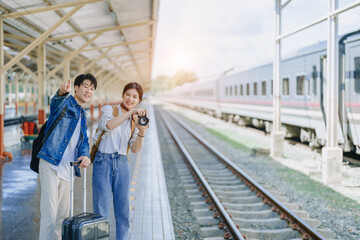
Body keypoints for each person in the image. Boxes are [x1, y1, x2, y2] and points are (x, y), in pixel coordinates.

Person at [37, 74, 97, 240]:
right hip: (50, 163)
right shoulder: (65, 104)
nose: (89, 91)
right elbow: (56, 102)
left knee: (61, 219)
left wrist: (85, 155)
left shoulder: (83, 115)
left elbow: (84, 140)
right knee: (49, 215)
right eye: (86, 86)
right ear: (76, 88)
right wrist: (61, 92)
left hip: (67, 170)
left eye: (92, 89)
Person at [92, 82, 149, 240]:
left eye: (135, 97)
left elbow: (136, 149)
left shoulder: (135, 120)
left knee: (123, 211)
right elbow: (109, 125)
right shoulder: (110, 109)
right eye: (128, 95)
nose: (130, 98)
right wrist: (131, 112)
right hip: (103, 161)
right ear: (123, 95)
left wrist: (142, 131)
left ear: (139, 100)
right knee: (101, 211)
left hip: (123, 163)